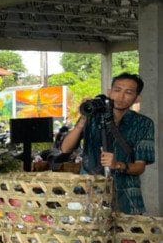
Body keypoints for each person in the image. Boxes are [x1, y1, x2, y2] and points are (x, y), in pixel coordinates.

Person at [60, 72, 156, 214]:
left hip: (127, 197)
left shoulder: (143, 123)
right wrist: (83, 120)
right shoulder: (92, 117)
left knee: (127, 228)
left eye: (128, 92)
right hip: (88, 193)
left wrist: (117, 165)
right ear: (109, 92)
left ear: (137, 98)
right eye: (117, 90)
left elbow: (140, 167)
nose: (121, 96)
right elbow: (65, 149)